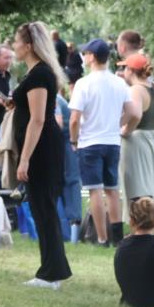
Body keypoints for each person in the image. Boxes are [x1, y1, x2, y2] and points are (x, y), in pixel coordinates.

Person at [10, 22, 73, 289]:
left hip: (41, 148)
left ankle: (51, 274)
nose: (14, 46)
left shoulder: (39, 74)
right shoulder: (37, 73)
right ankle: (53, 269)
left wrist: (24, 159)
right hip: (42, 145)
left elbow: (37, 119)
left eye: (16, 41)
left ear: (29, 45)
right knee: (41, 209)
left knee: (44, 209)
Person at [68, 38, 139, 247]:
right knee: (112, 189)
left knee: (95, 190)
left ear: (91, 57)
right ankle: (117, 237)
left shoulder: (83, 84)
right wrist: (117, 124)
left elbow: (74, 119)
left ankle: (102, 237)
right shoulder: (119, 82)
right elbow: (133, 112)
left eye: (86, 54)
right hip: (112, 141)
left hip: (90, 142)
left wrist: (73, 140)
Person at [119, 53, 154, 221]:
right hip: (152, 137)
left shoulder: (136, 90)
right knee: (150, 180)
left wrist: (125, 131)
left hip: (137, 140)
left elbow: (136, 115)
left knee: (137, 183)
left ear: (131, 71)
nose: (123, 71)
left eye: (125, 68)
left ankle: (141, 222)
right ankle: (151, 221)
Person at [55, 92, 82, 240]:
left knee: (70, 183)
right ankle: (70, 231)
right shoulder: (56, 97)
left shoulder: (53, 98)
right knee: (69, 184)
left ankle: (71, 232)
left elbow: (58, 123)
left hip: (66, 141)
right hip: (65, 141)